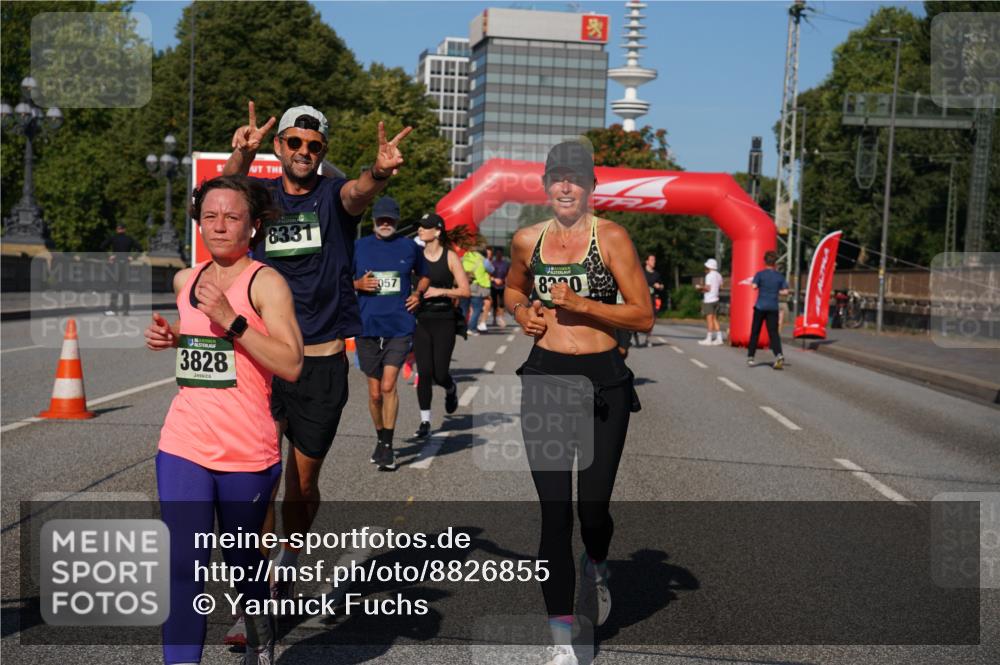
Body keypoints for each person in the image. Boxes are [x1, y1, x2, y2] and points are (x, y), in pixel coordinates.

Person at [222, 102, 411, 594]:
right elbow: (223, 196)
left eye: (314, 145)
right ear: (280, 145)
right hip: (261, 358)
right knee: (260, 476)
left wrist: (379, 172)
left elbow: (358, 192)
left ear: (323, 151)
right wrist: (241, 154)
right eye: (294, 142)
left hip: (320, 362)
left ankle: (289, 556)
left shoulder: (333, 195)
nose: (303, 151)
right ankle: (256, 587)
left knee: (301, 484)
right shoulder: (259, 196)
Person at [144, 175, 304, 665]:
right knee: (182, 569)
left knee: (242, 564)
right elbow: (208, 351)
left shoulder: (266, 282)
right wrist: (178, 341)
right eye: (210, 215)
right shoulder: (185, 281)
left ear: (253, 226)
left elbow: (292, 363)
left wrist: (230, 318)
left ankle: (260, 634)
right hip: (184, 443)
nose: (219, 225)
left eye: (232, 216)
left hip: (245, 452)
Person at [505, 141, 653, 665]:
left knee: (591, 511)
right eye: (557, 178)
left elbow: (643, 316)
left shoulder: (610, 238)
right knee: (553, 515)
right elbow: (512, 288)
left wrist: (584, 304)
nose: (566, 187)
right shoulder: (528, 239)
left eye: (576, 178)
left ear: (591, 187)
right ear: (547, 186)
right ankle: (564, 639)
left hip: (603, 379)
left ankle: (598, 562)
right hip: (545, 375)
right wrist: (522, 311)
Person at [353, 196, 429, 470]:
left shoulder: (409, 247)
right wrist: (357, 283)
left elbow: (425, 274)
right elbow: (340, 280)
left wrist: (418, 294)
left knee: (388, 386)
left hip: (399, 325)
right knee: (374, 393)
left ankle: (387, 445)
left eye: (390, 219)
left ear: (397, 221)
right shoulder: (358, 247)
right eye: (381, 219)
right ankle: (380, 438)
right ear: (374, 220)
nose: (385, 223)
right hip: (367, 326)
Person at [413, 212, 470, 438]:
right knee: (424, 372)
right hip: (422, 319)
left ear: (437, 231)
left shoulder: (450, 257)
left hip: (444, 319)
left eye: (425, 227)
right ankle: (425, 421)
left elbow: (465, 291)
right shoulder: (416, 256)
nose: (420, 230)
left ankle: (450, 388)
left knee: (440, 373)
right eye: (420, 226)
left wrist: (441, 291)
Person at [747, 250, 790, 369]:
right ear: (775, 263)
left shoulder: (760, 274)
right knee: (773, 333)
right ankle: (779, 354)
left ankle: (751, 357)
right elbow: (786, 292)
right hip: (773, 307)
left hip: (760, 307)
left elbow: (754, 287)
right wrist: (776, 291)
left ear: (764, 261)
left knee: (755, 332)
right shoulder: (779, 276)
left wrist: (759, 285)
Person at [101, 223, 141, 316]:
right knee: (125, 288)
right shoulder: (129, 239)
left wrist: (109, 256)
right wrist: (132, 258)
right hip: (126, 263)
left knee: (115, 287)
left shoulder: (113, 238)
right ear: (124, 229)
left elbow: (102, 246)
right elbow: (140, 248)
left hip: (116, 264)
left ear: (117, 229)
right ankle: (125, 310)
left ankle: (113, 309)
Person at [461, 238, 492, 333]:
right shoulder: (483, 260)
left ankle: (462, 328)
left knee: (464, 308)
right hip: (477, 286)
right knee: (477, 308)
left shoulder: (464, 257)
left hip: (464, 284)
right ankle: (472, 328)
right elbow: (491, 269)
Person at [696, 258, 724, 345]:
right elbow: (721, 287)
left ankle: (709, 339)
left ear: (709, 266)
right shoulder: (719, 275)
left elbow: (708, 288)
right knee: (715, 319)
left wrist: (699, 287)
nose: (706, 267)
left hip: (709, 300)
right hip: (716, 299)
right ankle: (719, 338)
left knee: (709, 319)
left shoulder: (709, 275)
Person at [490, 246, 511, 327]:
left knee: (502, 303)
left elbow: (508, 274)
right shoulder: (492, 263)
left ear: (502, 254)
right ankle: (494, 319)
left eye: (500, 253)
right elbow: (488, 275)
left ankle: (501, 318)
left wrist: (504, 280)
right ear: (496, 254)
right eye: (497, 253)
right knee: (494, 303)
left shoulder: (506, 264)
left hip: (502, 286)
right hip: (493, 285)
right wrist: (494, 279)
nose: (499, 255)